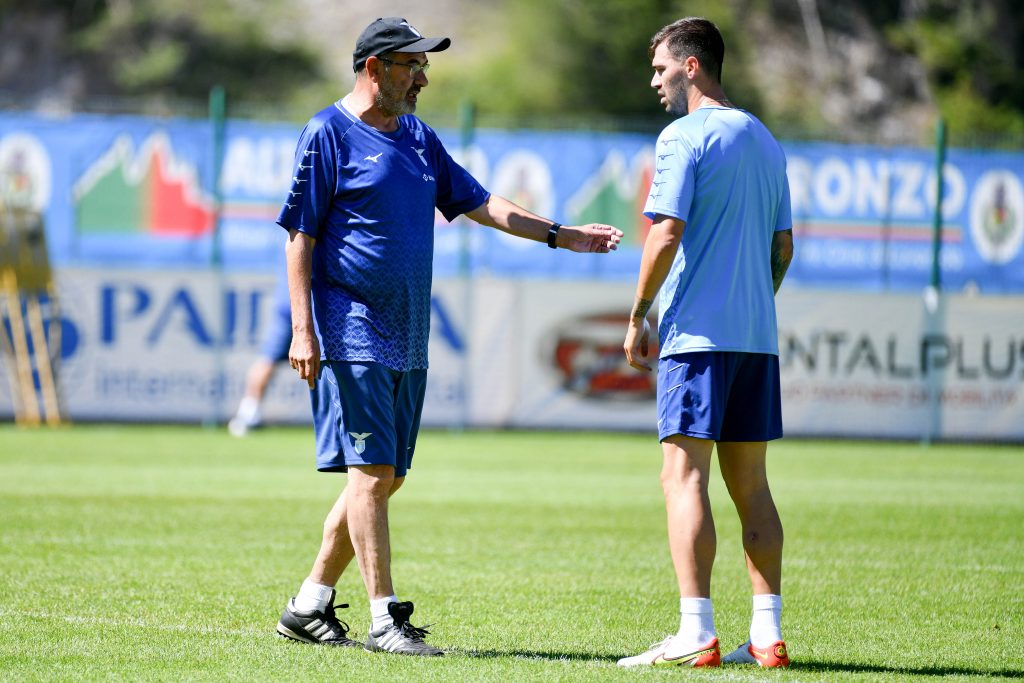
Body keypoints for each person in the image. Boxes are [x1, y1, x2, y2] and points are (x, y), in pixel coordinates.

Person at [273, 17, 623, 657]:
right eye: (412, 65)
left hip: (409, 334)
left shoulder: (417, 138)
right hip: (352, 329)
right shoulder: (326, 133)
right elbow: (300, 235)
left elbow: (484, 203)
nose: (424, 78)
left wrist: (563, 235)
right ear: (374, 67)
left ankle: (309, 604)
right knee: (372, 475)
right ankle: (385, 620)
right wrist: (303, 328)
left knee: (382, 480)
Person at [617, 17, 794, 669]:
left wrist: (637, 313)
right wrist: (756, 299)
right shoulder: (766, 140)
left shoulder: (683, 137)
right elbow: (783, 248)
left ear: (692, 67)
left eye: (662, 68)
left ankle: (696, 628)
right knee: (753, 486)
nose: (656, 80)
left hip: (695, 337)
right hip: (756, 339)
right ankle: (768, 635)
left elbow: (663, 234)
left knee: (681, 475)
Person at [228, 258, 292, 437]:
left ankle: (248, 413)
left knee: (268, 360)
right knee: (268, 360)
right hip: (298, 308)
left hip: (292, 306)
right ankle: (248, 414)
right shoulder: (308, 235)